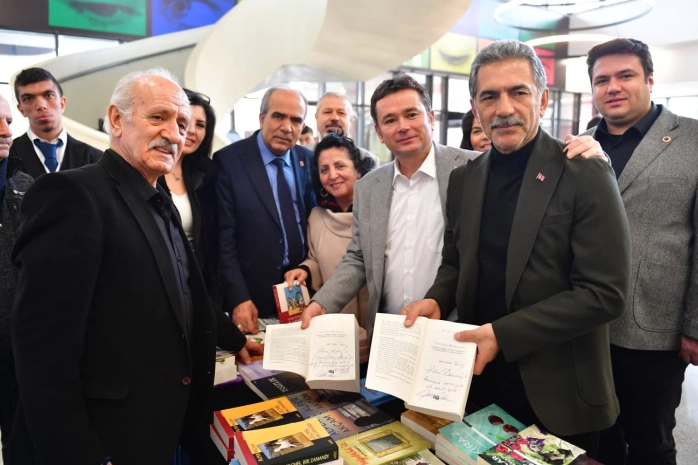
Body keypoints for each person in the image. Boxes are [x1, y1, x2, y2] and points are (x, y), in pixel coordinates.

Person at [10, 68, 257, 464]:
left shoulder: (158, 197)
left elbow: (185, 290)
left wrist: (236, 340)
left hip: (162, 428)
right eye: (158, 117)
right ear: (116, 120)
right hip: (107, 439)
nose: (174, 134)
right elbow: (42, 352)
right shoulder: (71, 195)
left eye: (182, 124)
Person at [403, 40, 631, 455]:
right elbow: (455, 262)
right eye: (489, 96)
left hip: (557, 393)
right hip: (478, 381)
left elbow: (605, 294)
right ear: (475, 107)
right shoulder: (465, 179)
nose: (503, 108)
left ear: (542, 100)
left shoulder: (584, 172)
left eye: (518, 92)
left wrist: (502, 335)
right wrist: (437, 299)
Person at [584, 38, 698, 465]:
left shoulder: (693, 140)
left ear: (649, 79)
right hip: (584, 326)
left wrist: (695, 325)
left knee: (651, 441)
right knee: (597, 437)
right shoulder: (576, 146)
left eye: (625, 75)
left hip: (655, 327)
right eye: (602, 80)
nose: (613, 87)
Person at [215, 85, 316, 334]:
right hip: (252, 297)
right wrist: (238, 298)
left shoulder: (307, 161)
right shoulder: (229, 161)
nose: (287, 127)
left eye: (296, 120)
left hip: (301, 293)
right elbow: (223, 239)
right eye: (278, 116)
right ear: (262, 118)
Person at [284, 133, 376, 331]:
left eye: (340, 166)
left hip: (376, 322)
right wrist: (305, 270)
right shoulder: (317, 217)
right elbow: (315, 259)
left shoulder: (377, 214)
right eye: (324, 169)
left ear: (358, 171)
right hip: (333, 322)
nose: (332, 175)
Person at [158, 89, 222, 306]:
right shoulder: (150, 170)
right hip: (161, 284)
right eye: (185, 121)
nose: (192, 131)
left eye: (201, 125)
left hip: (198, 285)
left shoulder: (207, 175)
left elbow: (214, 244)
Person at [0, 94, 33, 463]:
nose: (6, 131)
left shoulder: (26, 187)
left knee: (20, 445)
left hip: (18, 349)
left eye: (9, 121)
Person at [10, 67, 102, 178]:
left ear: (62, 103)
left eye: (48, 95)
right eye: (28, 99)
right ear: (21, 110)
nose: (41, 105)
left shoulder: (95, 158)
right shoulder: (7, 157)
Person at [310, 92, 379, 165]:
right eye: (327, 112)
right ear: (316, 118)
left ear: (350, 119)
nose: (334, 118)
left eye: (341, 113)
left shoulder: (369, 161)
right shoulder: (302, 155)